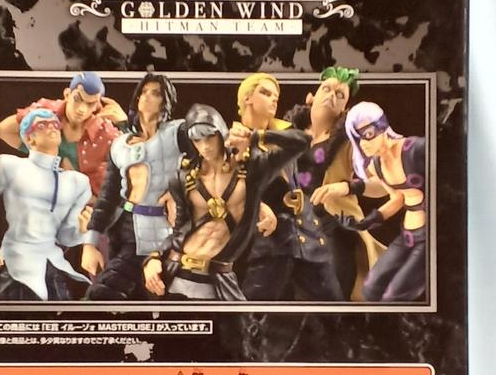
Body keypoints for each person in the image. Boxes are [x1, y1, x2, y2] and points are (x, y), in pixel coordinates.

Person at [241, 65, 382, 302]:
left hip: (330, 228)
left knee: (330, 304)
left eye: (340, 95)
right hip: (288, 230)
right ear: (311, 97)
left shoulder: (349, 143)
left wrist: (347, 187)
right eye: (326, 89)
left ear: (344, 108)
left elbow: (382, 184)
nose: (331, 96)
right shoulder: (286, 132)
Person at [143, 103, 308, 301]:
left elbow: (302, 142)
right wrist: (154, 257)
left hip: (218, 279)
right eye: (197, 139)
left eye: (209, 137)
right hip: (176, 273)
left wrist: (256, 136)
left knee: (242, 321)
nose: (205, 146)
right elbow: (180, 230)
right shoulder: (184, 179)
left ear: (221, 133)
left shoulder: (251, 170)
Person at [80, 72, 186, 301]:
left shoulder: (177, 134)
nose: (147, 97)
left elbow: (212, 149)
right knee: (134, 302)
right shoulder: (121, 145)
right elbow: (107, 197)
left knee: (102, 295)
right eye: (144, 92)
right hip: (122, 227)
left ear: (166, 101)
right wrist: (90, 243)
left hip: (157, 231)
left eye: (156, 93)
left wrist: (179, 188)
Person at [312, 99, 428, 303]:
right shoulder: (377, 165)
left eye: (367, 134)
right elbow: (396, 198)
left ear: (382, 126)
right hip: (408, 235)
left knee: (393, 296)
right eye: (357, 139)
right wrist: (365, 222)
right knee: (371, 289)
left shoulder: (414, 149)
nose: (363, 144)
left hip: (429, 236)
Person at [0, 108, 92, 300]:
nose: (51, 127)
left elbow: (65, 237)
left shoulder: (77, 182)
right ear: (29, 139)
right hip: (16, 264)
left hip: (53, 266)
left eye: (55, 123)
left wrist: (82, 230)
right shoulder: (10, 165)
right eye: (42, 125)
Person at [0, 70, 124, 197]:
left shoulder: (105, 133)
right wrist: (39, 148)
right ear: (67, 94)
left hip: (86, 202)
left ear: (97, 105)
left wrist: (124, 124)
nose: (82, 109)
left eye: (91, 104)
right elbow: (3, 130)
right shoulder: (46, 114)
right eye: (77, 99)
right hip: (44, 193)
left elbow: (131, 164)